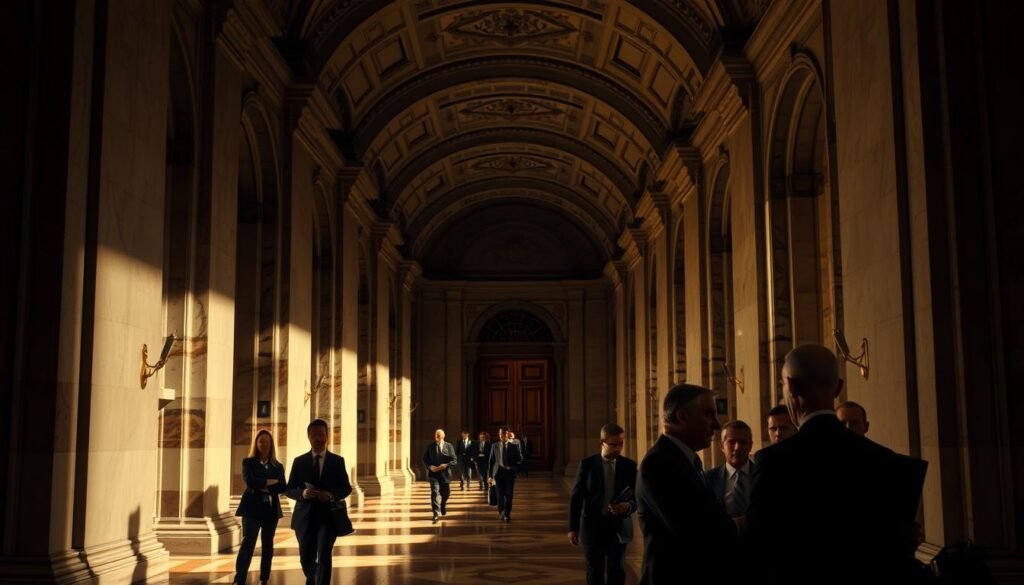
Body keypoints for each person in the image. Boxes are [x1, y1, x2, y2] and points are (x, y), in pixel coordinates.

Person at [746, 344, 927, 585]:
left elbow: (757, 546)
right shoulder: (885, 459)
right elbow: (898, 549)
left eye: (782, 385)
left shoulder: (773, 461)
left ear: (790, 386)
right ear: (839, 388)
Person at [635, 384, 737, 584]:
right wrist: (741, 524)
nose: (717, 424)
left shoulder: (686, 460)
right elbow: (696, 533)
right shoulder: (658, 464)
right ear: (682, 416)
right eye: (709, 414)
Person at [568, 423, 637, 585]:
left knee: (617, 570)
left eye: (621, 443)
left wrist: (627, 507)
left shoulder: (629, 466)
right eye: (613, 444)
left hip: (618, 527)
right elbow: (576, 497)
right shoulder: (587, 465)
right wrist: (573, 528)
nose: (618, 448)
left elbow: (637, 498)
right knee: (594, 572)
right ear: (602, 443)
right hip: (592, 527)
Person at [286, 419, 353, 585]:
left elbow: (346, 487)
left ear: (327, 436)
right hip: (304, 518)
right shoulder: (299, 461)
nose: (318, 438)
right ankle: (314, 578)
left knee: (324, 556)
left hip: (327, 518)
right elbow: (289, 488)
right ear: (309, 437)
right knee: (305, 559)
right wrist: (303, 493)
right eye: (314, 435)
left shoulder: (337, 461)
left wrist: (330, 495)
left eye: (321, 435)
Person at [234, 430, 286, 585]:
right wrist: (270, 482)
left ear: (271, 445)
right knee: (248, 543)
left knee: (268, 545)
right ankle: (240, 578)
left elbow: (282, 486)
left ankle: (264, 578)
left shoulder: (278, 466)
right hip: (251, 509)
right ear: (256, 444)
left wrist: (263, 484)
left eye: (267, 442)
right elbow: (250, 481)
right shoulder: (248, 462)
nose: (264, 444)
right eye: (261, 441)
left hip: (270, 510)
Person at [705, 420, 754, 520]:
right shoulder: (708, 479)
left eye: (743, 442)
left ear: (750, 445)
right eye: (731, 442)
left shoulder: (764, 475)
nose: (737, 447)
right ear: (722, 446)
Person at [422, 428, 457, 522]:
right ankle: (436, 513)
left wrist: (446, 465)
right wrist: (429, 466)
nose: (436, 437)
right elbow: (424, 459)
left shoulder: (449, 446)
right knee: (434, 493)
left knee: (446, 493)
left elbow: (454, 460)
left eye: (438, 435)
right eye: (435, 435)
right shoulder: (430, 446)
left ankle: (443, 504)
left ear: (443, 436)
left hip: (445, 475)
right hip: (433, 474)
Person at [488, 427, 523, 522]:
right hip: (498, 474)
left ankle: (507, 514)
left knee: (509, 495)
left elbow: (519, 460)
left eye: (503, 434)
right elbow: (491, 462)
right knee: (499, 495)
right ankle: (502, 512)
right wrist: (490, 476)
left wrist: (512, 468)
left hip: (509, 474)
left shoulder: (514, 446)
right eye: (500, 434)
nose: (501, 436)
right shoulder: (494, 446)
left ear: (507, 434)